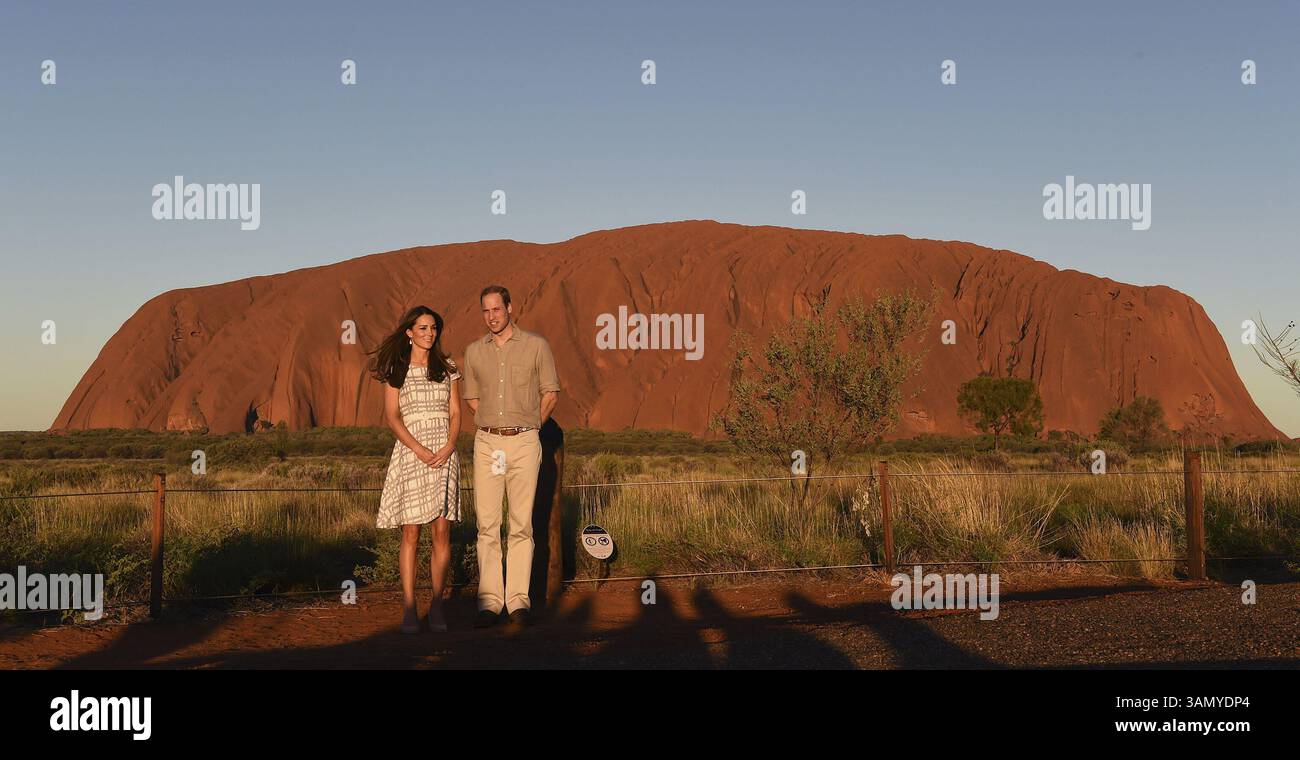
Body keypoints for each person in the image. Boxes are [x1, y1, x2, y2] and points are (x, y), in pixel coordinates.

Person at [461, 285, 560, 628]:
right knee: (487, 524)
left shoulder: (536, 346)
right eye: (486, 311)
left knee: (521, 523)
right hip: (488, 442)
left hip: (523, 442)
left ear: (510, 308)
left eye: (497, 310)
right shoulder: (474, 352)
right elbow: (472, 398)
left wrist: (531, 426)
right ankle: (490, 600)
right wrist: (492, 424)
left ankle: (518, 600)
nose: (492, 317)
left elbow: (550, 392)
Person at [368, 306, 462, 634]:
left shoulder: (447, 368)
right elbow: (392, 416)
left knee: (441, 530)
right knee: (411, 531)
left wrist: (449, 445)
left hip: (444, 451)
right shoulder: (397, 368)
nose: (429, 333)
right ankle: (410, 607)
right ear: (409, 332)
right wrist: (419, 448)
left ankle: (437, 606)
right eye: (422, 328)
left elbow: (455, 412)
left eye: (433, 327)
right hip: (412, 451)